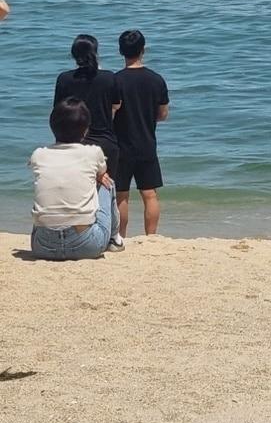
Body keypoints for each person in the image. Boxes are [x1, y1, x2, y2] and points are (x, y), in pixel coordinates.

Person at [28, 98, 120, 260]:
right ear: (85, 130)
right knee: (106, 182)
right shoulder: (93, 153)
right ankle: (114, 239)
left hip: (42, 246)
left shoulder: (39, 154)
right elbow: (102, 173)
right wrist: (97, 176)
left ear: (52, 126)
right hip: (87, 245)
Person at [113, 30, 170, 238]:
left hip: (121, 144)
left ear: (121, 51)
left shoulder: (115, 81)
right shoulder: (156, 80)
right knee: (149, 194)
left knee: (121, 195)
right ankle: (151, 237)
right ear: (143, 50)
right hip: (146, 143)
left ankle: (120, 237)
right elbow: (163, 115)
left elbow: (111, 113)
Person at [54, 34, 121, 172]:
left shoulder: (64, 79)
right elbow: (116, 106)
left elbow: (58, 110)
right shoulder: (109, 77)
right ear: (95, 53)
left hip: (72, 144)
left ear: (73, 55)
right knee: (107, 185)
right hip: (104, 142)